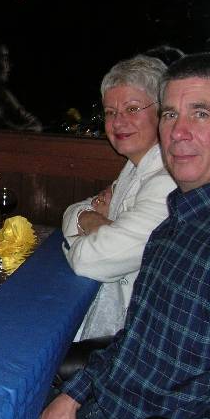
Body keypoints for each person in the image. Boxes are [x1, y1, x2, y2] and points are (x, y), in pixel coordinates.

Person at [13, 52, 210, 419]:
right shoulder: (176, 223)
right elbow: (134, 340)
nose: (178, 131)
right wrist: (73, 397)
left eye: (201, 113)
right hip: (108, 412)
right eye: (170, 114)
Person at [62, 55, 175, 341]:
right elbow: (72, 212)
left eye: (132, 108)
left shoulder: (167, 182)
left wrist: (94, 227)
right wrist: (91, 220)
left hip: (141, 335)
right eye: (110, 112)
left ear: (162, 112)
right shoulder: (135, 168)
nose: (118, 121)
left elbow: (90, 260)